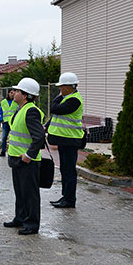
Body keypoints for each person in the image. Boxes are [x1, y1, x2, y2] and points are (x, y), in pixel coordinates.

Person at [3, 78, 45, 235]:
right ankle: (20, 218)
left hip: (27, 161)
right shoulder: (21, 109)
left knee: (30, 194)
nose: (14, 93)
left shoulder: (31, 111)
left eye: (18, 91)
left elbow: (39, 137)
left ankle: (32, 224)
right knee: (20, 192)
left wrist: (29, 155)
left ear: (26, 95)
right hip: (16, 159)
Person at [47, 72, 84, 209]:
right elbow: (57, 115)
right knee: (65, 170)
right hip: (65, 140)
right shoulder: (67, 98)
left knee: (69, 171)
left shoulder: (74, 100)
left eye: (62, 87)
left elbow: (54, 109)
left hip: (70, 140)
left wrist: (57, 98)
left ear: (69, 87)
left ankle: (69, 200)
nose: (60, 89)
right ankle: (65, 197)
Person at [0, 88, 18, 157]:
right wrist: (1, 119)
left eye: (14, 93)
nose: (13, 94)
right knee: (4, 137)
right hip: (5, 122)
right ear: (8, 93)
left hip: (13, 122)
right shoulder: (3, 102)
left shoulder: (16, 101)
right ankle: (3, 151)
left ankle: (13, 151)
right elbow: (1, 111)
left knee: (13, 137)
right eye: (11, 93)